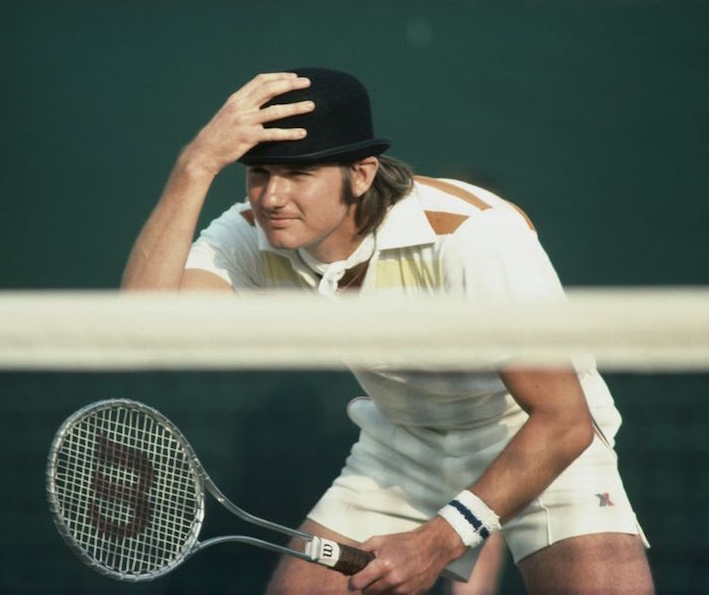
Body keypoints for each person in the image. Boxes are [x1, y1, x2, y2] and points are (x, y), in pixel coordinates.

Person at [122, 68, 654, 595]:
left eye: (299, 174)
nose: (271, 198)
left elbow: (563, 420)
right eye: (257, 173)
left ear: (361, 174)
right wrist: (196, 164)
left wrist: (440, 539)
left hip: (532, 431)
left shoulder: (472, 236)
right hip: (404, 444)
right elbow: (142, 328)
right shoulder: (248, 234)